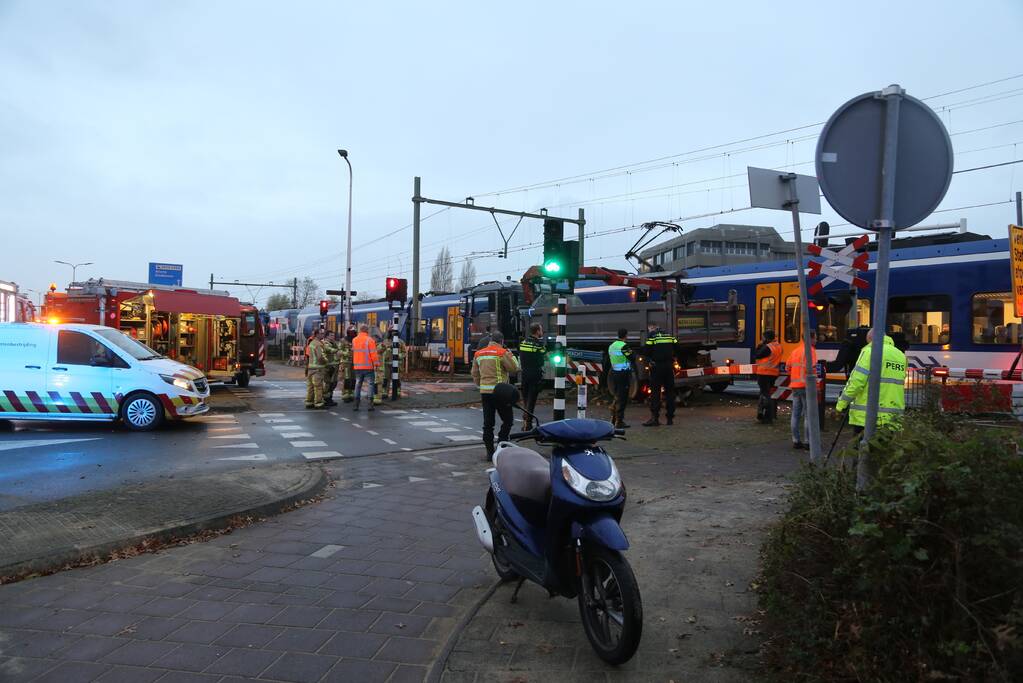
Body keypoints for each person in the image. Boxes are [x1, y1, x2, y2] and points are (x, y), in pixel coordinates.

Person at [836, 328, 907, 434]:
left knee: (863, 448)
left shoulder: (869, 352)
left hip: (867, 416)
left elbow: (856, 382)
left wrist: (841, 404)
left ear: (870, 339)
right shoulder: (901, 356)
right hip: (893, 417)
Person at [471, 330, 519, 460]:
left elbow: (475, 374)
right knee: (508, 420)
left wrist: (481, 385)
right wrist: (511, 355)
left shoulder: (478, 354)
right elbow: (514, 368)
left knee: (488, 424)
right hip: (500, 392)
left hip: (485, 393)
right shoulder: (502, 353)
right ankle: (501, 446)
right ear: (501, 341)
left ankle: (489, 452)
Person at [787, 330, 818, 450]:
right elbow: (813, 368)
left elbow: (787, 366)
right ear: (810, 339)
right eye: (815, 338)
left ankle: (796, 440)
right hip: (806, 386)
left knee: (795, 414)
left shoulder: (795, 351)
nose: (817, 340)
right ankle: (808, 442)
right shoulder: (811, 351)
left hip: (795, 387)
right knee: (808, 415)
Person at [642, 321, 677, 426]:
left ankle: (655, 418)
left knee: (655, 392)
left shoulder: (652, 337)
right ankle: (670, 419)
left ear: (652, 328)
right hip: (668, 367)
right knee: (670, 392)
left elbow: (646, 351)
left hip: (657, 367)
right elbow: (677, 347)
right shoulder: (670, 336)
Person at [517, 323, 546, 430]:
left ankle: (525, 421)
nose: (542, 332)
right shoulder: (538, 344)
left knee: (525, 398)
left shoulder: (523, 342)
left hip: (525, 374)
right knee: (532, 399)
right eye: (541, 330)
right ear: (537, 331)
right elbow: (543, 353)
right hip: (535, 373)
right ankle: (528, 423)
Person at [753, 330, 783, 424]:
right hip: (773, 374)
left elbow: (757, 355)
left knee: (765, 395)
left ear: (766, 338)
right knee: (765, 393)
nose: (762, 339)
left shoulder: (768, 347)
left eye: (763, 337)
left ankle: (768, 417)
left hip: (764, 373)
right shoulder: (779, 346)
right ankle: (761, 414)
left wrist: (759, 346)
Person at [608, 328, 635, 428]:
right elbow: (632, 357)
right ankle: (619, 421)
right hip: (623, 374)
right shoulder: (624, 346)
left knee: (617, 395)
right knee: (622, 397)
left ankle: (613, 418)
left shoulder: (612, 346)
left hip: (615, 373)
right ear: (626, 335)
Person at [351, 324, 379, 411]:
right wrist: (376, 364)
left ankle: (356, 405)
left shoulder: (354, 340)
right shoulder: (370, 340)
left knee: (358, 384)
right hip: (368, 367)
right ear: (367, 331)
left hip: (357, 367)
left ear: (360, 330)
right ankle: (370, 405)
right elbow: (373, 354)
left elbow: (354, 352)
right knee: (370, 385)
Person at [304, 328, 328, 410]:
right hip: (318, 368)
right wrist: (326, 362)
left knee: (310, 386)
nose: (323, 335)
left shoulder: (311, 343)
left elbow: (308, 356)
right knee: (318, 386)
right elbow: (320, 357)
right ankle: (319, 403)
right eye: (321, 333)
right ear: (317, 334)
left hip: (311, 368)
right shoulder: (318, 344)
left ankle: (309, 402)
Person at [322, 330, 339, 407]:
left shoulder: (334, 343)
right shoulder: (325, 343)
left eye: (333, 335)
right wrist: (337, 351)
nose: (333, 337)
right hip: (328, 367)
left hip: (334, 366)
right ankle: (326, 399)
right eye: (331, 335)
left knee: (333, 383)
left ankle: (330, 398)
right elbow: (329, 350)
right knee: (328, 383)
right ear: (327, 336)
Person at [338, 333, 354, 402]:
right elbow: (339, 351)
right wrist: (345, 353)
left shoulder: (355, 340)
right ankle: (345, 394)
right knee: (346, 378)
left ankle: (352, 393)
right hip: (345, 362)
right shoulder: (343, 340)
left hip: (354, 362)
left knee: (353, 378)